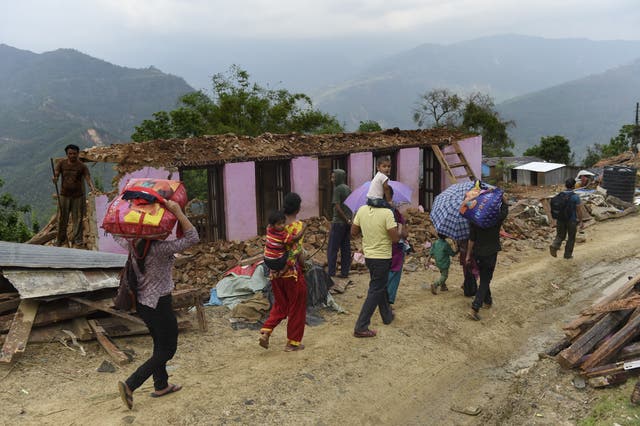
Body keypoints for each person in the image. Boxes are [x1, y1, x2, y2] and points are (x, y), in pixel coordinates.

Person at [117, 199, 199, 410]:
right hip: (159, 304)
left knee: (158, 344)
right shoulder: (159, 249)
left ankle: (161, 385)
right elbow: (193, 237)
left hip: (143, 304)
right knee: (168, 350)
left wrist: (126, 221)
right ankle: (130, 384)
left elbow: (117, 234)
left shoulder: (133, 244)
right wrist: (178, 212)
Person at [259, 193, 308, 352]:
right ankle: (293, 343)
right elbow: (295, 252)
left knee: (280, 305)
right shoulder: (297, 226)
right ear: (298, 208)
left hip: (274, 273)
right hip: (291, 273)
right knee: (296, 306)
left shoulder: (273, 224)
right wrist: (304, 266)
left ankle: (266, 331)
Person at [351, 200, 399, 337]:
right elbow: (395, 238)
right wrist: (400, 231)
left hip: (370, 256)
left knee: (380, 286)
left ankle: (387, 315)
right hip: (382, 257)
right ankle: (361, 326)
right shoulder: (387, 213)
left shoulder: (362, 210)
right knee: (376, 289)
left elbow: (353, 231)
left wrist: (368, 231)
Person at [466, 197, 508, 321]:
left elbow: (471, 240)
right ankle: (474, 308)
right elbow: (505, 211)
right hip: (490, 253)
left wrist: (468, 255)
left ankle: (488, 301)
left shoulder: (475, 221)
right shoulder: (496, 219)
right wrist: (504, 201)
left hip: (478, 253)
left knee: (484, 277)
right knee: (485, 280)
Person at [52, 144, 96, 247]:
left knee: (78, 218)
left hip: (78, 196)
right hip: (64, 195)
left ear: (78, 154)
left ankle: (78, 240)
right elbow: (56, 173)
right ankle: (60, 239)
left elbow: (88, 178)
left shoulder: (82, 166)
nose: (72, 156)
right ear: (67, 154)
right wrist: (55, 178)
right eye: (70, 154)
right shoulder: (61, 163)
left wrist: (93, 188)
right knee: (62, 218)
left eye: (74, 154)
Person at [327, 169, 353, 278]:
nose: (332, 180)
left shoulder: (337, 189)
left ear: (338, 178)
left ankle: (331, 273)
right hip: (347, 224)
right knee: (345, 248)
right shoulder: (348, 188)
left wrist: (344, 219)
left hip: (338, 223)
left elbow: (337, 207)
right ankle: (344, 272)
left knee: (332, 248)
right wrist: (349, 220)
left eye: (334, 177)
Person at [549, 178, 584, 260]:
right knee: (571, 238)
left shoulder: (559, 195)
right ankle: (567, 255)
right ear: (574, 186)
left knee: (560, 235)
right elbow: (579, 211)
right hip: (571, 221)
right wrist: (581, 221)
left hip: (560, 219)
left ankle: (554, 245)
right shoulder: (575, 197)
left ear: (565, 185)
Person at [386, 187, 409, 305]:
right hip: (394, 248)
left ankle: (380, 297)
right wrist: (401, 229)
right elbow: (403, 234)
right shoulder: (394, 212)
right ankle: (388, 298)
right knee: (394, 272)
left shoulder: (370, 211)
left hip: (378, 249)